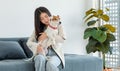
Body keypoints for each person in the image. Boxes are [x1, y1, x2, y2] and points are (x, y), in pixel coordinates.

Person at [26, 6, 66, 71]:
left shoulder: (58, 25)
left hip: (55, 55)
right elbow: (29, 42)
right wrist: (37, 47)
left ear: (49, 14)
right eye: (42, 19)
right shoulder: (37, 29)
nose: (45, 20)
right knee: (39, 58)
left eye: (46, 16)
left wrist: (47, 34)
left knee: (50, 64)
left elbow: (62, 39)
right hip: (42, 53)